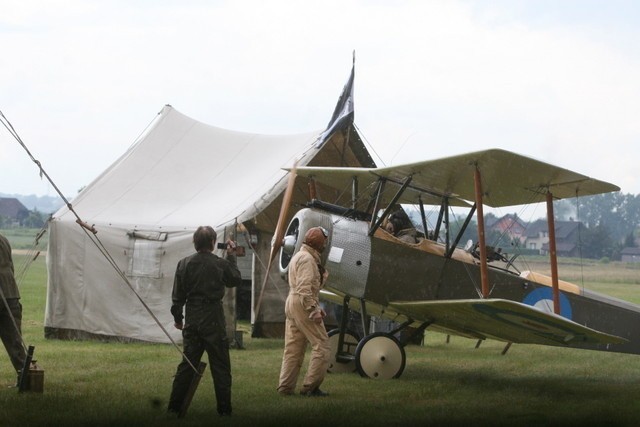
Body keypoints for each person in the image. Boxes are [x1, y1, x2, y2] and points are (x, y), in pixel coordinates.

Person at [167, 226, 242, 416]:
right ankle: (224, 411)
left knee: (187, 365)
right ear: (212, 243)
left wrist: (178, 319)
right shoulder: (220, 264)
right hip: (213, 318)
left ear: (195, 242)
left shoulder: (183, 264)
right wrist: (231, 256)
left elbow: (177, 297)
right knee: (220, 366)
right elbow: (235, 279)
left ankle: (174, 408)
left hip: (192, 317)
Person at [277, 226, 331, 397]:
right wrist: (314, 309)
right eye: (324, 242)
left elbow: (303, 287)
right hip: (303, 304)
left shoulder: (299, 256)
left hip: (292, 303)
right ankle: (310, 387)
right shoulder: (308, 260)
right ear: (320, 243)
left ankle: (285, 388)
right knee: (322, 345)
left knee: (293, 349)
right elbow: (305, 289)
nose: (325, 245)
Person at [0, 233, 26, 386]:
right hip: (10, 293)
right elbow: (10, 266)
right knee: (15, 342)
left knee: (15, 341)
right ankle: (26, 379)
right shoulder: (4, 239)